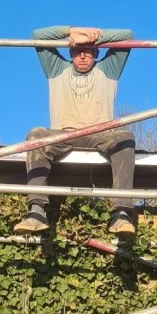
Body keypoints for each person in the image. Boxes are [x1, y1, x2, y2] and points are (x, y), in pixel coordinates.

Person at [14, 25, 136, 236]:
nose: (82, 56)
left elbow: (128, 36)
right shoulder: (56, 68)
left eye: (87, 51)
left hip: (100, 133)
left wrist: (92, 37)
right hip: (63, 133)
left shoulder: (108, 69)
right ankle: (36, 212)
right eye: (77, 51)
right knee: (36, 136)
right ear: (69, 52)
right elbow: (38, 36)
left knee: (125, 138)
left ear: (96, 52)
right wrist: (70, 31)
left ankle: (121, 215)